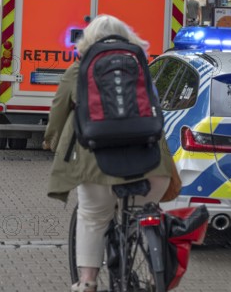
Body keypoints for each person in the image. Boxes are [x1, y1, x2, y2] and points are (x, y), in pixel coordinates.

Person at [43, 15, 172, 292]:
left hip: (98, 168)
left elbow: (58, 112)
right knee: (140, 213)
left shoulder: (78, 69)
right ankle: (151, 262)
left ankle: (88, 282)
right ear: (128, 38)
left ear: (87, 40)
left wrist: (52, 142)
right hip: (153, 169)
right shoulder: (140, 66)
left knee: (92, 217)